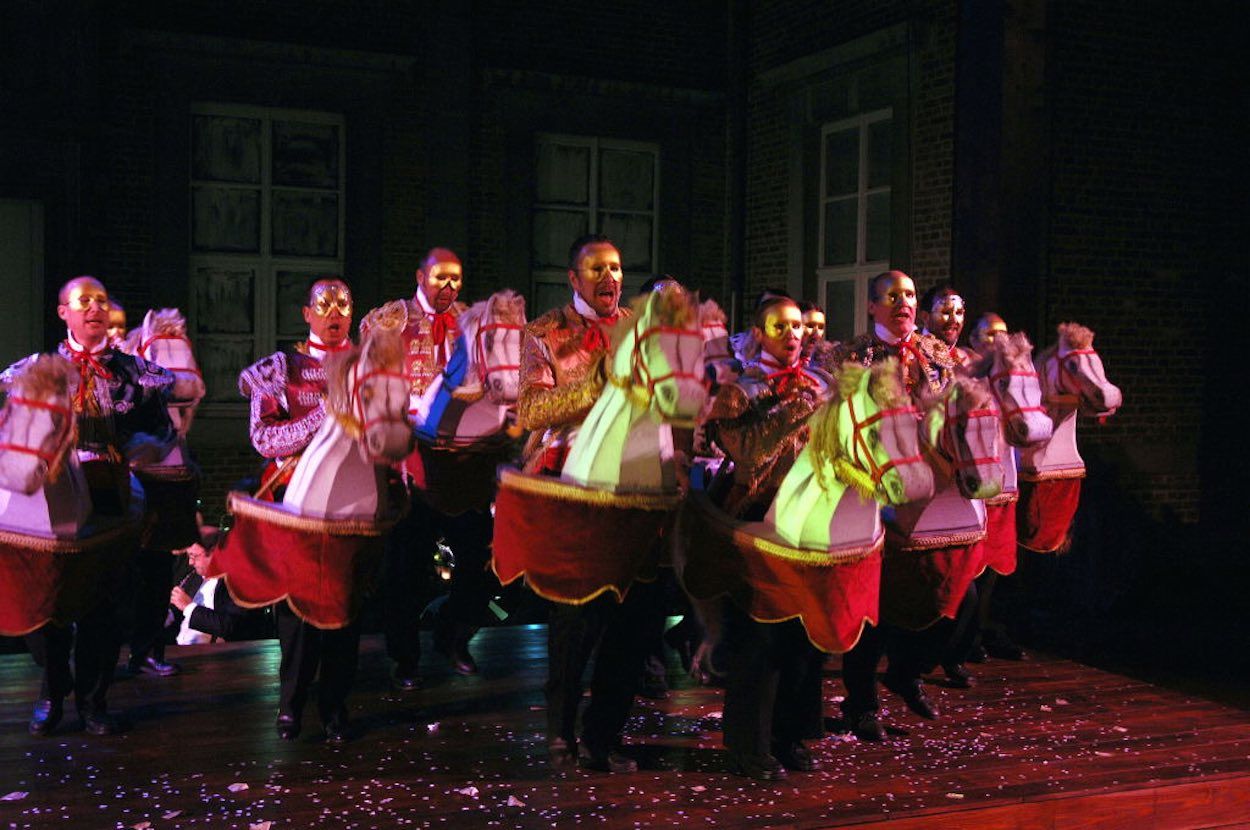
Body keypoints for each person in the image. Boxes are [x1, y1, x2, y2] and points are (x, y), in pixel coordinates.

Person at [2, 276, 175, 736]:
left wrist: (144, 448)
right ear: (64, 312)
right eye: (83, 301)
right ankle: (52, 686)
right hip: (50, 491)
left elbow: (163, 431)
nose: (94, 308)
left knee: (104, 602)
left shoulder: (137, 375)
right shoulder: (36, 371)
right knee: (44, 596)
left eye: (101, 300)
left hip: (108, 487)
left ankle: (93, 700)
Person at [515, 233, 653, 774]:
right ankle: (561, 730)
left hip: (635, 484)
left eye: (615, 268)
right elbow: (532, 410)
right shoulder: (545, 332)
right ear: (574, 279)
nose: (609, 278)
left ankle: (603, 736)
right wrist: (599, 386)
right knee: (575, 618)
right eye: (596, 269)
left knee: (632, 620)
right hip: (571, 483)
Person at [702, 295, 833, 779]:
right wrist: (798, 407)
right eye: (781, 327)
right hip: (757, 517)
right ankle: (749, 745)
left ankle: (790, 735)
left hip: (812, 519)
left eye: (797, 326)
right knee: (759, 639)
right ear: (758, 334)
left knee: (805, 637)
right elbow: (749, 451)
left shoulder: (820, 383)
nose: (794, 335)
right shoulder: (739, 389)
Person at [831, 270, 957, 740]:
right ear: (872, 305)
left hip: (930, 486)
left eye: (909, 295)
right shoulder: (853, 356)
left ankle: (906, 672)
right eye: (892, 295)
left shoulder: (937, 353)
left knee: (941, 591)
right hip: (874, 485)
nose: (903, 302)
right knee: (873, 603)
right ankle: (861, 703)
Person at [237, 278, 359, 743]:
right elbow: (264, 439)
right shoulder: (279, 369)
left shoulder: (368, 367)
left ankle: (335, 706)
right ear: (307, 313)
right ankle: (290, 704)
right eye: (324, 305)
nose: (334, 313)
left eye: (343, 304)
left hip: (352, 503)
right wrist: (323, 415)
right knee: (297, 610)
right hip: (295, 502)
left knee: (346, 608)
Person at [373, 247, 494, 689]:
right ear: (420, 276)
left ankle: (454, 636)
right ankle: (405, 657)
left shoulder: (472, 323)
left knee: (480, 557)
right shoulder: (389, 321)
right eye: (441, 277)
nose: (450, 286)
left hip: (462, 464)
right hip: (410, 461)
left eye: (456, 278)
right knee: (406, 567)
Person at [169, 527, 243, 644]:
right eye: (189, 556)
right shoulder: (195, 576)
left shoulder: (237, 582)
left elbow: (228, 626)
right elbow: (178, 612)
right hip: (179, 647)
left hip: (213, 653)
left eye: (194, 556)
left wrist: (188, 607)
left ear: (214, 553)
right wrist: (168, 615)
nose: (190, 562)